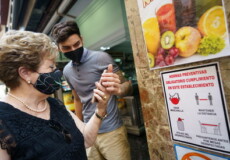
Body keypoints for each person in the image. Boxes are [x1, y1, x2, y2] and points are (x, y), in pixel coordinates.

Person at [0, 30, 111, 160]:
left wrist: (100, 109)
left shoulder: (54, 104)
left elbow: (86, 139)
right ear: (25, 73)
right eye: (51, 67)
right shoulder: (3, 122)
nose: (56, 72)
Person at [51, 21, 132, 160]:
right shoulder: (67, 70)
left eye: (76, 44)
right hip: (89, 132)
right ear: (59, 48)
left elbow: (127, 85)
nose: (73, 49)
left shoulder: (101, 58)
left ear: (82, 39)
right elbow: (77, 99)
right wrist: (79, 129)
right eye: (66, 48)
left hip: (112, 132)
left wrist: (119, 89)